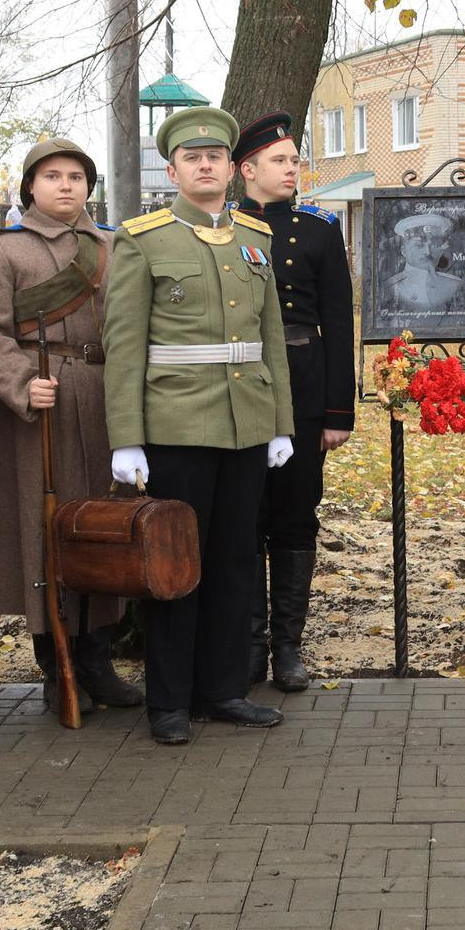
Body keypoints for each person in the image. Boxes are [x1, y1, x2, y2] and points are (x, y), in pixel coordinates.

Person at [104, 104, 295, 744]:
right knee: (175, 567)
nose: (206, 164)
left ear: (231, 168)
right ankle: (170, 702)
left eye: (215, 155)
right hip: (178, 424)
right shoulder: (142, 239)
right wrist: (126, 436)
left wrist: (281, 425)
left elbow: (271, 339)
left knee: (237, 562)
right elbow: (125, 345)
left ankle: (222, 691)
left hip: (247, 424)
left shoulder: (255, 238)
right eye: (193, 157)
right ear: (173, 168)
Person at [0, 138, 145, 717]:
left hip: (102, 398)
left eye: (76, 176)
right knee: (41, 530)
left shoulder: (113, 247)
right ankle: (56, 663)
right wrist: (19, 382)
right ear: (30, 187)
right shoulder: (3, 250)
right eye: (51, 176)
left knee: (102, 527)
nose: (65, 185)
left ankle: (98, 658)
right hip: (37, 406)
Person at [233, 112, 357, 694]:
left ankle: (288, 646)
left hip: (304, 390)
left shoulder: (319, 227)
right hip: (236, 387)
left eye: (295, 160)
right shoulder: (224, 227)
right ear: (247, 169)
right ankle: (247, 645)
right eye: (280, 161)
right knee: (242, 517)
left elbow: (337, 319)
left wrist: (337, 412)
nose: (292, 170)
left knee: (294, 515)